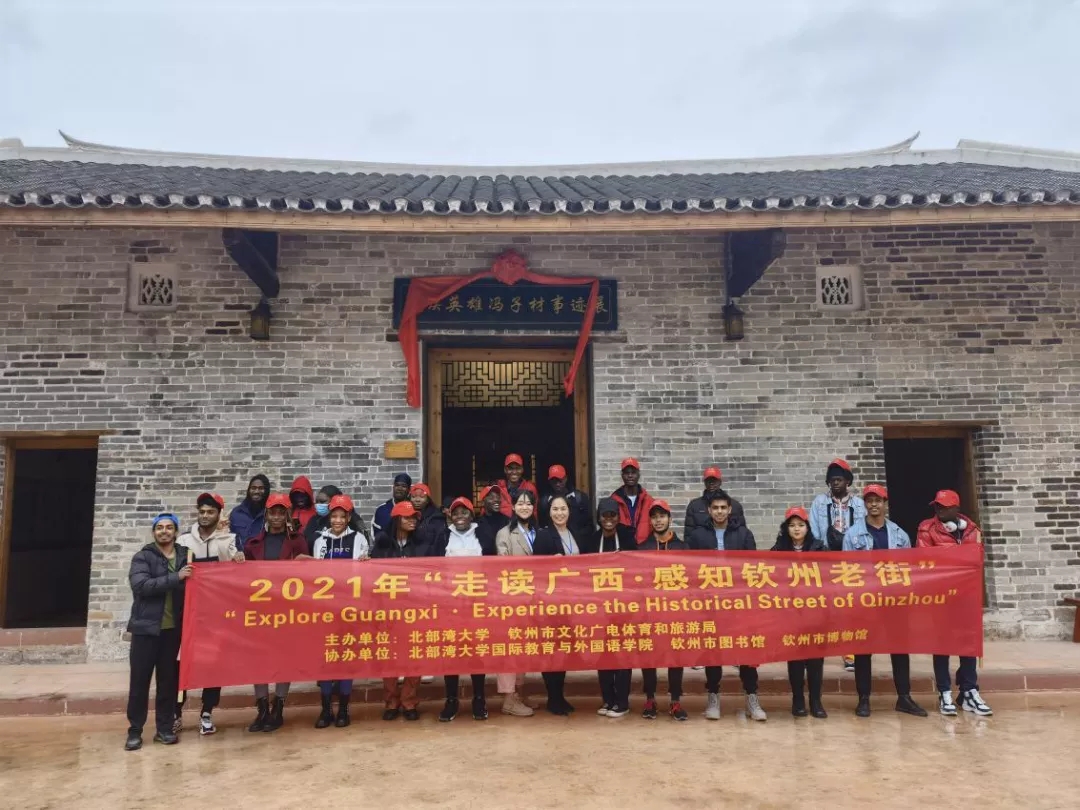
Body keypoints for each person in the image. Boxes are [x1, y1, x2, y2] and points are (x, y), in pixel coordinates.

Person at [842, 484, 928, 718]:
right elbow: (848, 570)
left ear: (885, 503)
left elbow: (909, 569)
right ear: (865, 504)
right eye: (869, 500)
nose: (874, 504)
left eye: (878, 500)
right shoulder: (852, 535)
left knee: (899, 648)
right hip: (866, 600)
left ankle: (904, 697)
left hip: (894, 601)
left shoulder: (899, 534)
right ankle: (863, 699)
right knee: (863, 650)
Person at [687, 490, 766, 721]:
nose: (719, 511)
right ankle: (713, 696)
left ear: (730, 509)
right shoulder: (697, 536)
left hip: (739, 602)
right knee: (714, 650)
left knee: (746, 650)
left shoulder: (743, 534)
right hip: (710, 602)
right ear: (709, 510)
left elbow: (753, 567)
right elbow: (689, 568)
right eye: (715, 508)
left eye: (723, 507)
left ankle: (752, 698)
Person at [917, 489, 992, 717]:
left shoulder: (972, 530)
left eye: (944, 506)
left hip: (966, 597)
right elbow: (924, 560)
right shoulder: (926, 529)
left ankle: (969, 690)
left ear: (956, 509)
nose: (939, 510)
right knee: (942, 646)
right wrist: (957, 557)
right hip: (941, 598)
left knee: (968, 644)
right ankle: (944, 691)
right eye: (937, 506)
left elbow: (978, 559)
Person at [175, 493, 244, 736]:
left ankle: (206, 713)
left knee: (214, 664)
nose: (205, 516)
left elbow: (238, 574)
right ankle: (176, 713)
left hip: (217, 615)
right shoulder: (183, 540)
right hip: (188, 613)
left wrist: (238, 559)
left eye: (210, 512)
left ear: (219, 514)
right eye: (202, 511)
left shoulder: (230, 540)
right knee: (181, 663)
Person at [124, 513, 192, 751]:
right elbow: (141, 585)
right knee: (139, 683)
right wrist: (176, 577)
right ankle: (135, 731)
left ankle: (164, 729)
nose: (164, 531)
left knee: (168, 683)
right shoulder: (143, 556)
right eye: (159, 527)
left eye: (169, 527)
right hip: (146, 630)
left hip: (173, 632)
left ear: (176, 531)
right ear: (154, 532)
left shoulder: (186, 556)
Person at [243, 493, 308, 732]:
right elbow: (242, 578)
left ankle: (278, 707)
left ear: (287, 515)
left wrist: (307, 561)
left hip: (287, 610)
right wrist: (237, 561)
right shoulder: (252, 544)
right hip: (259, 611)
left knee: (284, 658)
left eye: (282, 512)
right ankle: (261, 708)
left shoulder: (298, 542)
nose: (277, 517)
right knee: (258, 659)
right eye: (273, 512)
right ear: (267, 515)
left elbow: (309, 574)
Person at [309, 494, 369, 728]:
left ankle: (343, 708)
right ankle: (325, 709)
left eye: (342, 516)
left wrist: (366, 563)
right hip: (325, 608)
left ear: (349, 518)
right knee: (326, 657)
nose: (337, 520)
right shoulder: (320, 540)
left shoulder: (359, 539)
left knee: (346, 657)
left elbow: (364, 574)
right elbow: (315, 574)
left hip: (349, 608)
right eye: (334, 516)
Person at [372, 500, 428, 719]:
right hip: (388, 610)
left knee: (414, 655)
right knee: (389, 657)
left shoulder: (422, 544)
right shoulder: (382, 544)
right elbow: (372, 577)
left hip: (415, 609)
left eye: (414, 517)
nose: (412, 521)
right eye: (407, 517)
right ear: (396, 520)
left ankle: (409, 701)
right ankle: (391, 702)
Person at [771, 506, 828, 719]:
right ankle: (798, 700)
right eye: (792, 525)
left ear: (807, 527)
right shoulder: (778, 551)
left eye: (801, 525)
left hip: (815, 612)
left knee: (815, 660)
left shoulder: (819, 549)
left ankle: (816, 701)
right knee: (795, 659)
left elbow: (829, 578)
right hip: (791, 613)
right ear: (786, 528)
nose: (796, 529)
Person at [810, 458, 866, 671]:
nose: (835, 483)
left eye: (839, 479)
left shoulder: (859, 505)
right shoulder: (819, 503)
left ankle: (850, 653)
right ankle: (818, 650)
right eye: (832, 479)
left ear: (847, 481)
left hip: (852, 563)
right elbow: (814, 530)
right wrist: (821, 552)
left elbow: (863, 531)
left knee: (850, 608)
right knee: (824, 607)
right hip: (826, 560)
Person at [438, 496, 491, 722]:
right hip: (450, 604)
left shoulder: (483, 535)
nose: (460, 516)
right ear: (450, 516)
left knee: (476, 650)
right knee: (451, 650)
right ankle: (451, 700)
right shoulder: (443, 536)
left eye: (464, 512)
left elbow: (494, 567)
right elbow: (432, 567)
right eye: (456, 513)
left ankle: (479, 698)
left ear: (472, 515)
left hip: (476, 604)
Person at [533, 495, 585, 715]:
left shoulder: (575, 534)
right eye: (555, 509)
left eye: (563, 508)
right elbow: (536, 569)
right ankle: (553, 698)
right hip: (551, 603)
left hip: (570, 602)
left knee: (564, 649)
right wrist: (550, 563)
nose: (559, 513)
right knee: (551, 650)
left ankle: (560, 695)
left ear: (569, 511)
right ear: (549, 512)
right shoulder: (544, 535)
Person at [638, 500, 689, 721]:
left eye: (662, 516)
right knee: (649, 657)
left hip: (675, 613)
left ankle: (675, 701)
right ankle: (650, 699)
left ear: (669, 518)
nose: (658, 520)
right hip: (650, 612)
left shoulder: (683, 548)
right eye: (654, 516)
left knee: (675, 657)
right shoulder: (642, 549)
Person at [494, 490, 540, 716]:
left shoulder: (538, 532)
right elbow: (503, 567)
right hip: (512, 599)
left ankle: (519, 693)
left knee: (524, 648)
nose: (524, 507)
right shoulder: (505, 533)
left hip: (534, 599)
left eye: (528, 503)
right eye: (520, 503)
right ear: (512, 507)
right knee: (509, 649)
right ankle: (508, 698)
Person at [304, 484, 368, 554]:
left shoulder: (354, 519)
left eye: (322, 501)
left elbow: (364, 542)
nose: (318, 504)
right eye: (317, 501)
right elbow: (307, 542)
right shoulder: (314, 520)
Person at [684, 466, 744, 535]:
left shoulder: (735, 505)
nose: (711, 483)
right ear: (704, 482)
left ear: (720, 482)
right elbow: (689, 534)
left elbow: (742, 532)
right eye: (708, 480)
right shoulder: (694, 505)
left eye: (714, 480)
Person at [539, 464, 592, 537]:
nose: (557, 484)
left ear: (565, 478)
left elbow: (589, 525)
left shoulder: (580, 498)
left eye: (560, 480)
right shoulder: (545, 501)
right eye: (554, 481)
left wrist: (578, 537)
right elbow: (542, 525)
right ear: (550, 481)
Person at [610, 458, 655, 543]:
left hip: (645, 548)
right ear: (622, 475)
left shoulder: (649, 501)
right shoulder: (613, 501)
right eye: (627, 473)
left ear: (639, 474)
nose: (630, 475)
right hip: (622, 548)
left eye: (633, 472)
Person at [229, 474, 270, 548]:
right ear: (248, 490)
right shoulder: (236, 513)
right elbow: (229, 538)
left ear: (266, 491)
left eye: (261, 488)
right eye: (253, 488)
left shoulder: (270, 514)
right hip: (238, 555)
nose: (256, 491)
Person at [492, 453, 539, 518]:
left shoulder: (530, 488)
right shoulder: (497, 488)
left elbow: (534, 512)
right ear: (505, 470)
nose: (514, 472)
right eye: (510, 468)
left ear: (522, 469)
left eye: (517, 468)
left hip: (523, 523)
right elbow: (488, 511)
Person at [409, 483, 447, 554]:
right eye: (413, 497)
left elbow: (439, 545)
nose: (417, 500)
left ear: (428, 500)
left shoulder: (437, 518)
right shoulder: (406, 516)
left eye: (422, 497)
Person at [474, 485, 509, 556]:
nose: (496, 500)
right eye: (491, 497)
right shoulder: (476, 525)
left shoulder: (508, 521)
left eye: (498, 497)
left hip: (504, 561)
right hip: (484, 562)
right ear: (483, 502)